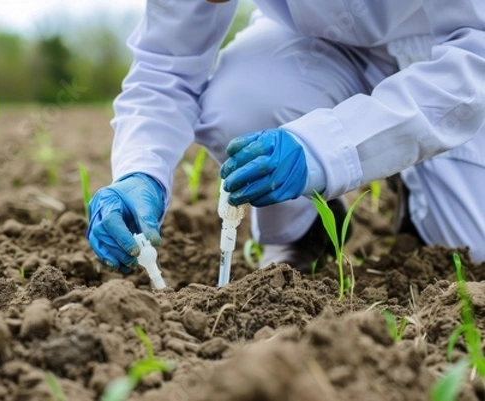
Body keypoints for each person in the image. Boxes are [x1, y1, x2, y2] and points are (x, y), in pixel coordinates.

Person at [87, 0, 485, 275]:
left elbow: (476, 61)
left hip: (444, 56)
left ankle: (414, 181)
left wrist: (321, 151)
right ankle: (303, 229)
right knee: (240, 105)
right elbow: (164, 67)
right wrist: (140, 170)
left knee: (471, 250)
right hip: (316, 50)